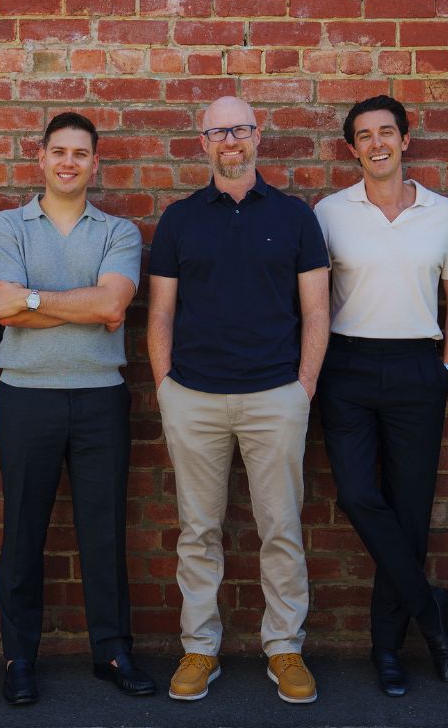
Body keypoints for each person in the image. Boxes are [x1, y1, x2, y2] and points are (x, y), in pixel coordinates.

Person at [147, 96, 330, 704]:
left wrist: (303, 387)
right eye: (219, 131)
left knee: (281, 529)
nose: (231, 140)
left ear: (258, 136)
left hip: (275, 396)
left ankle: (285, 648)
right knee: (198, 531)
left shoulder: (295, 216)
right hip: (193, 397)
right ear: (202, 142)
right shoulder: (179, 219)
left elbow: (316, 311)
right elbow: (161, 311)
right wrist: (165, 387)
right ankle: (200, 647)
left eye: (241, 129)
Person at [0, 112, 154, 705]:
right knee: (22, 533)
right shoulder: (6, 226)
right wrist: (78, 305)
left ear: (95, 163)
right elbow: (1, 312)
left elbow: (112, 307)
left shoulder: (119, 232)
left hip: (100, 395)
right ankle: (18, 658)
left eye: (81, 153)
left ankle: (113, 651)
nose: (69, 162)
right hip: (26, 396)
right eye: (59, 151)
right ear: (41, 157)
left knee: (104, 532)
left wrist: (31, 299)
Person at [313, 96, 448, 697]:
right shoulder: (330, 213)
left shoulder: (444, 213)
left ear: (405, 139)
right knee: (357, 493)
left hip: (416, 368)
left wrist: (446, 368)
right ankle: (431, 611)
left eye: (386, 132)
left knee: (409, 512)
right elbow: (312, 297)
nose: (376, 143)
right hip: (347, 367)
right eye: (364, 135)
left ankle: (387, 649)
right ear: (351, 148)